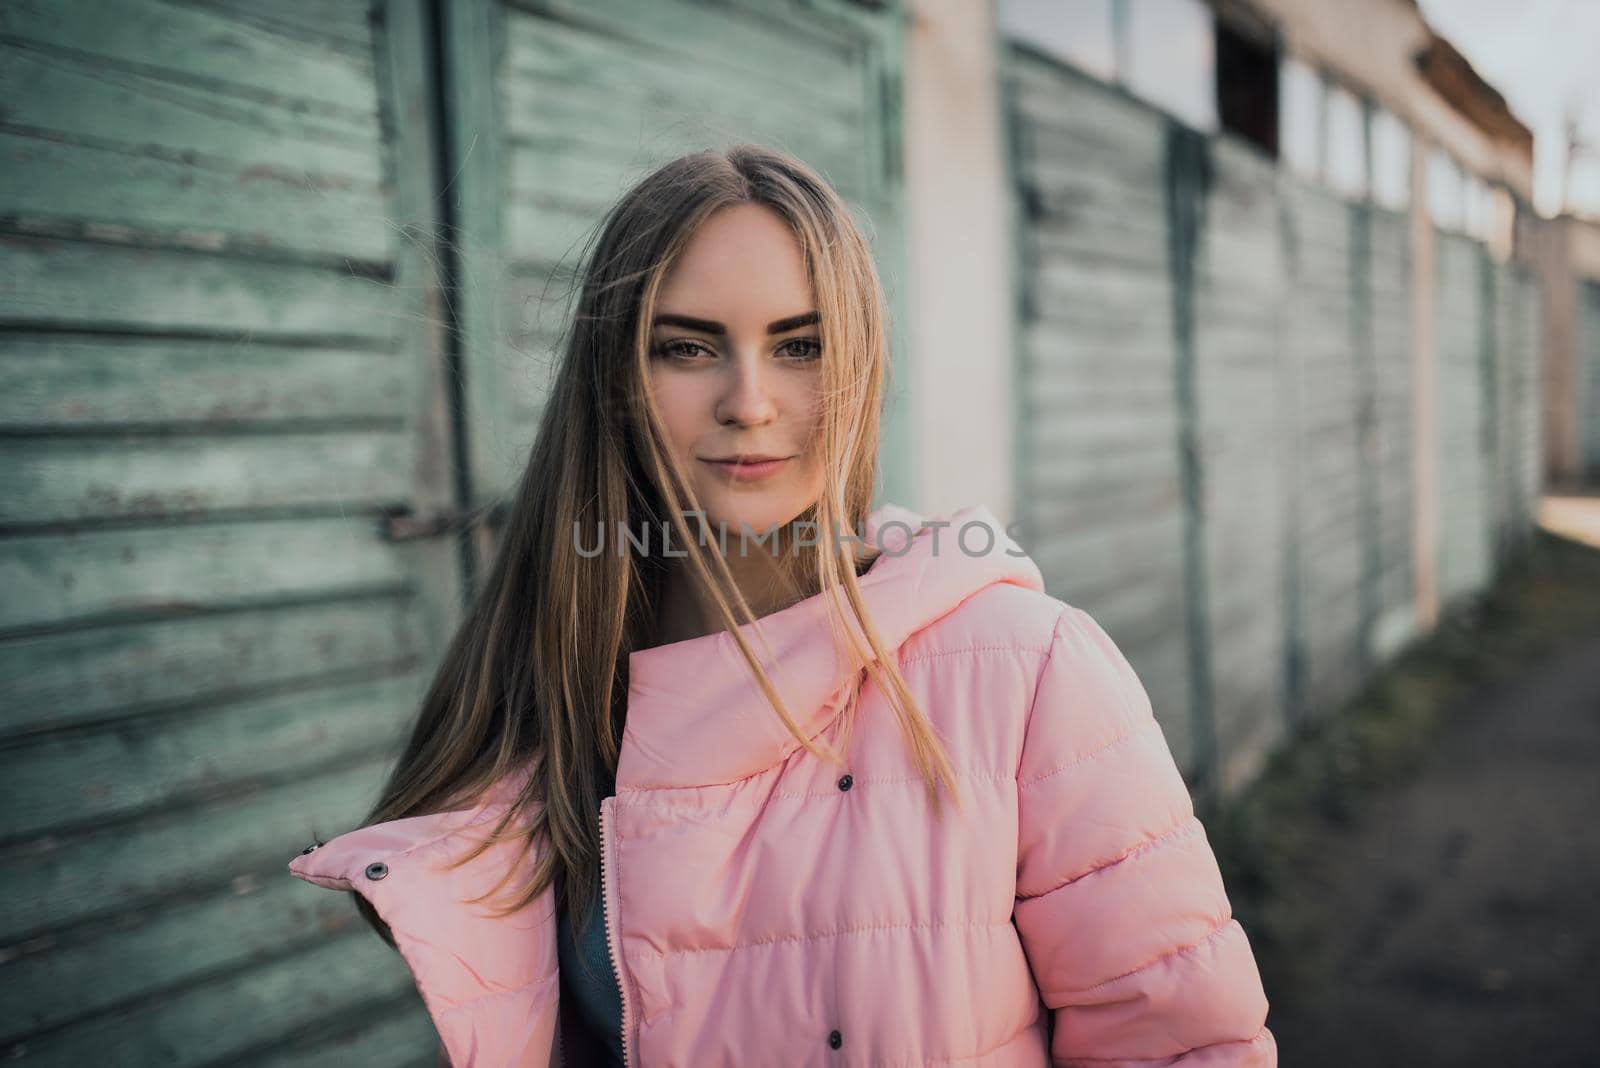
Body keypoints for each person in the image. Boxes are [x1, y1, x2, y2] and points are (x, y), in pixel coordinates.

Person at [288, 144, 1277, 1067]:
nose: (749, 402)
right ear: (617, 376)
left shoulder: (1027, 667)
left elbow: (1186, 1045)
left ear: (857, 364)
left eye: (799, 346)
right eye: (686, 347)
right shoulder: (543, 680)